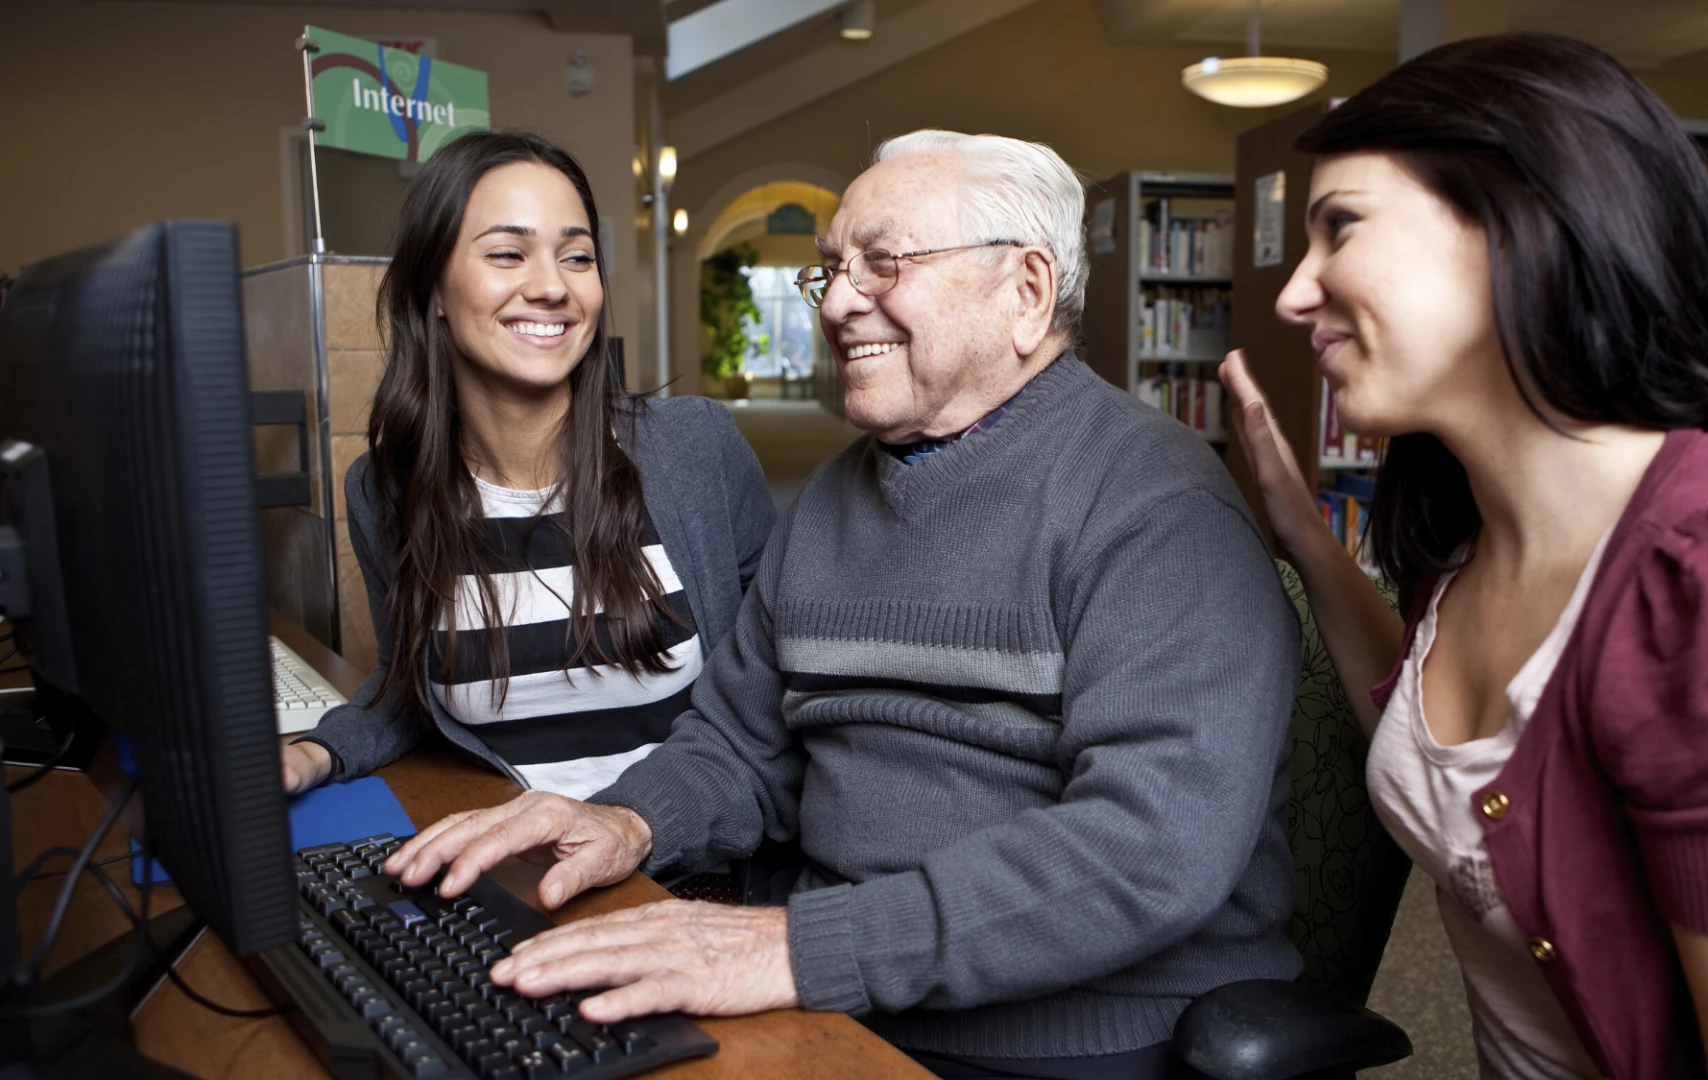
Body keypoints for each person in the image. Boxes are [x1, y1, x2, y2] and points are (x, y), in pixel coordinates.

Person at [382, 130, 1304, 1080]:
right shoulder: (830, 499)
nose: (840, 302)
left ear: (1026, 291)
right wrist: (630, 820)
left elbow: (1147, 849)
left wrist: (794, 949)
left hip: (1078, 1037)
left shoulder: (1155, 505)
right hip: (842, 990)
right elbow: (741, 744)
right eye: (830, 271)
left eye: (884, 264)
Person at [1218, 33, 1708, 1080]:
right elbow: (1431, 739)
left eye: (1343, 229)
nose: (1295, 292)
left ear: (1519, 222)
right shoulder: (1470, 537)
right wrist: (1304, 537)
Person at [283, 131, 774, 802]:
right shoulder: (385, 489)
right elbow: (407, 687)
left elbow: (771, 691)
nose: (551, 287)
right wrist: (316, 753)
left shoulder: (696, 450)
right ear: (433, 290)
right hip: (509, 867)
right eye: (509, 254)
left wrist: (629, 826)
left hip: (676, 865)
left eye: (577, 256)